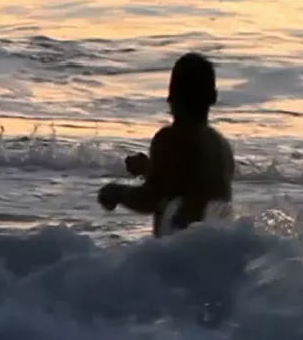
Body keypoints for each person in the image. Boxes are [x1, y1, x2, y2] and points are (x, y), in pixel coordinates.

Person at [98, 53, 235, 236]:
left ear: (170, 97)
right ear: (214, 97)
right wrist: (150, 170)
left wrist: (117, 192)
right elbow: (188, 188)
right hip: (217, 249)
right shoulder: (221, 146)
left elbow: (152, 198)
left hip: (179, 250)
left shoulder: (170, 138)